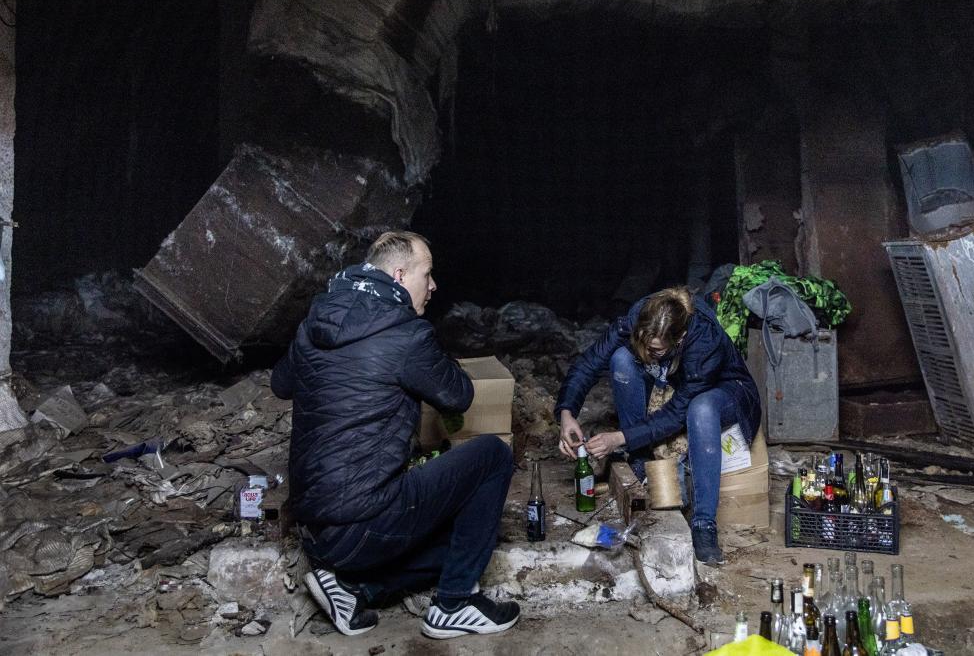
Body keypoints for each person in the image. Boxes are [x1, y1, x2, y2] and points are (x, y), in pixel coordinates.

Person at [272, 231, 520, 639]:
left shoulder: (315, 321)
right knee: (492, 455)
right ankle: (454, 604)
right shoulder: (406, 333)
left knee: (467, 539)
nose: (434, 285)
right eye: (428, 274)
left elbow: (282, 384)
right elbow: (458, 396)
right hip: (364, 527)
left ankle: (354, 589)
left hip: (315, 532)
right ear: (401, 275)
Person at [554, 286, 761, 564]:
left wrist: (620, 437)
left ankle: (703, 525)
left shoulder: (703, 343)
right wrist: (567, 412)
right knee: (621, 359)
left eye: (655, 349)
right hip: (675, 376)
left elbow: (678, 413)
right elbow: (592, 361)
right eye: (644, 343)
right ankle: (640, 464)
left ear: (680, 339)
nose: (647, 352)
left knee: (700, 409)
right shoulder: (640, 316)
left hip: (725, 391)